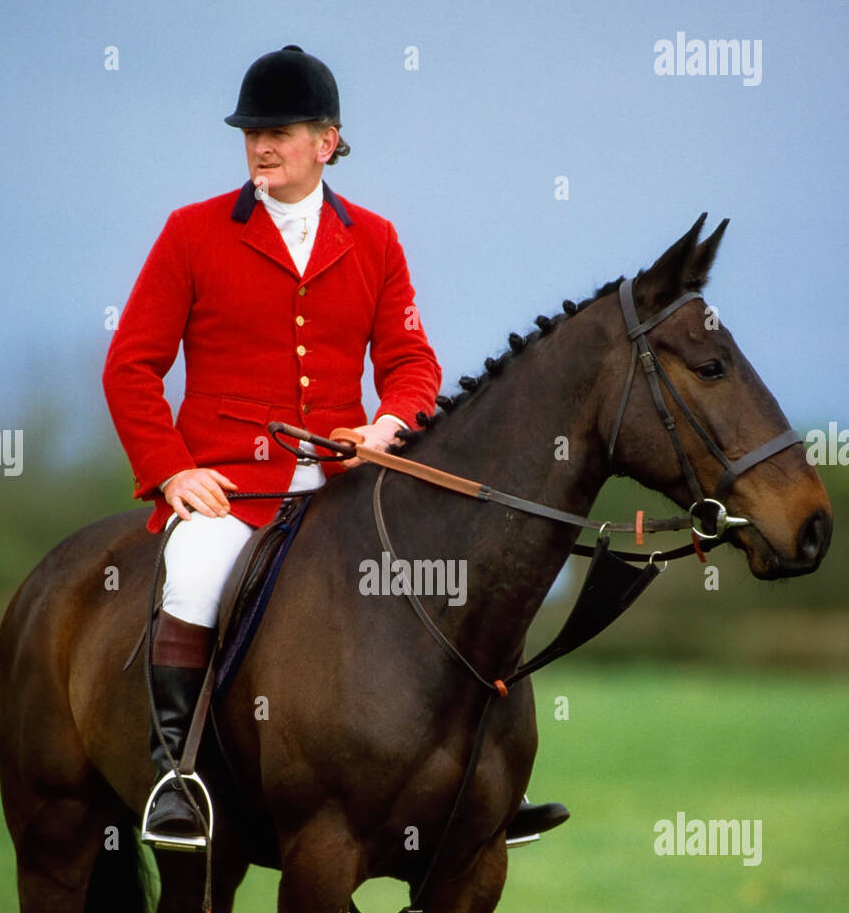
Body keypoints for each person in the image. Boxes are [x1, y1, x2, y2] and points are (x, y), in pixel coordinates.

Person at [104, 45, 567, 850]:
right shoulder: (192, 233)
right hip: (231, 487)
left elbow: (413, 363)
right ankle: (177, 778)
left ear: (328, 140)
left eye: (278, 131)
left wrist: (386, 427)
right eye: (250, 132)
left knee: (447, 571)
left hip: (345, 481)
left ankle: (486, 777)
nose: (259, 146)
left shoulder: (376, 240)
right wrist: (174, 469)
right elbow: (131, 366)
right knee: (196, 570)